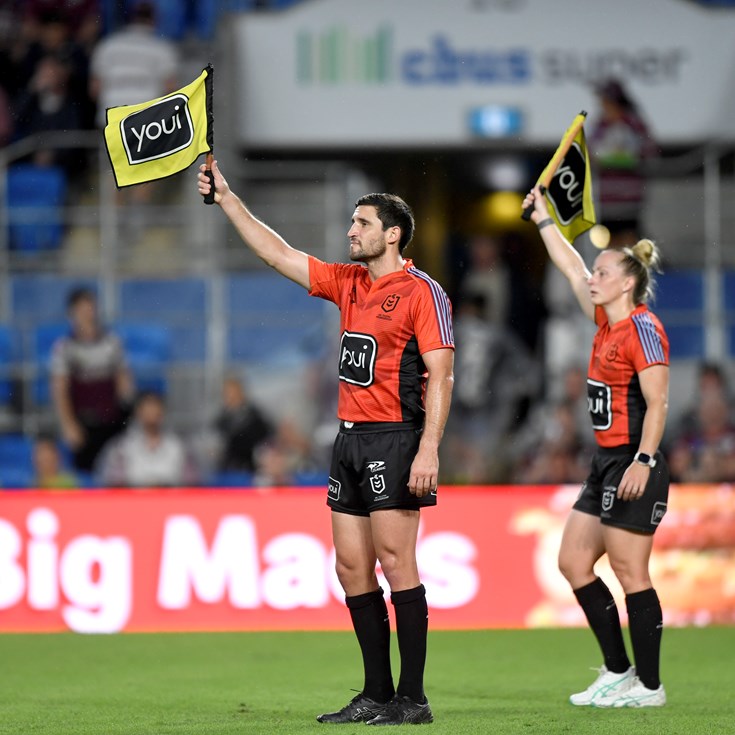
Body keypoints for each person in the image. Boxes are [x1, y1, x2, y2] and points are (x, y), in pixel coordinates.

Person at [198, 160, 455, 726]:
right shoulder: (350, 282)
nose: (351, 231)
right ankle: (376, 694)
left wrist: (429, 447)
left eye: (362, 223)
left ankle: (413, 698)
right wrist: (229, 200)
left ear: (393, 233)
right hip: (349, 440)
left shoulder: (422, 293)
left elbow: (443, 374)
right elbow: (278, 253)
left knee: (396, 561)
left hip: (395, 438)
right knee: (351, 569)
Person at [522, 186, 670, 708]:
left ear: (628, 282)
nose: (593, 277)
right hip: (604, 461)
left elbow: (658, 403)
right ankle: (617, 670)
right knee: (574, 562)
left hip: (634, 459)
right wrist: (543, 219)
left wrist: (644, 461)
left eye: (603, 272)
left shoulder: (643, 329)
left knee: (631, 573)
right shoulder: (605, 323)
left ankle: (649, 687)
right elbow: (568, 267)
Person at [50, 287, 134, 472]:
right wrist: (68, 424)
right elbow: (60, 390)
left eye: (90, 308)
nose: (87, 314)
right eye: (82, 309)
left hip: (112, 420)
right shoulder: (65, 348)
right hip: (84, 423)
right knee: (86, 473)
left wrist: (126, 411)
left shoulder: (112, 342)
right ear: (72, 313)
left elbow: (123, 378)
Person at [589, 78, 658, 249]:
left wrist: (630, 157)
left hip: (629, 199)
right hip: (607, 200)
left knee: (629, 241)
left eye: (605, 100)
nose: (602, 105)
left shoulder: (634, 124)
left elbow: (650, 150)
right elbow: (589, 152)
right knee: (608, 243)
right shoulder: (600, 126)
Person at [97, 390, 199, 487]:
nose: (151, 412)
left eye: (156, 408)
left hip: (172, 502)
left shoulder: (179, 446)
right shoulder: (121, 447)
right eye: (147, 408)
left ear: (162, 412)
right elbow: (113, 484)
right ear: (138, 412)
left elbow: (192, 483)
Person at [213, 373, 274, 474]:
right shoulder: (221, 419)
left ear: (242, 393)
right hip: (226, 471)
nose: (230, 397)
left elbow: (264, 443)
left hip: (250, 471)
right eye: (227, 394)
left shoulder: (256, 417)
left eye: (233, 393)